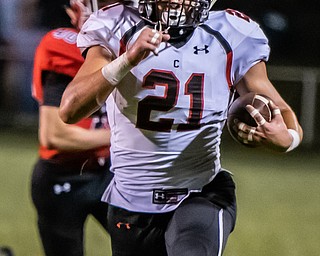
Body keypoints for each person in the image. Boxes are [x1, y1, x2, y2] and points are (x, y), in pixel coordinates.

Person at [59, 0, 303, 255]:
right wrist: (127, 60)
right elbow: (70, 109)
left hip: (200, 192)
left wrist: (287, 140)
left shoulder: (233, 32)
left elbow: (284, 115)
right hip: (131, 202)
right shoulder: (115, 24)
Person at [30, 1, 114, 255]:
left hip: (111, 172)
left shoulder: (132, 43)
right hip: (63, 175)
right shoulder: (65, 46)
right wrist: (121, 135)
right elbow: (54, 134)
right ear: (74, 11)